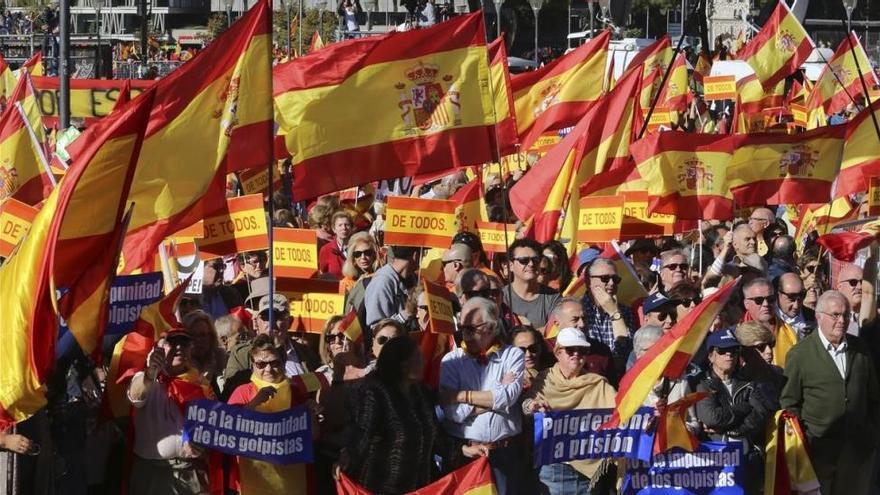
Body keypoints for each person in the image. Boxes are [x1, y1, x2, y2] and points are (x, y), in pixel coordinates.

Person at [341, 336, 483, 492]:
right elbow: (362, 433)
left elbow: (436, 436)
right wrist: (346, 458)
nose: (423, 361)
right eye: (417, 358)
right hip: (382, 486)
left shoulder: (421, 392)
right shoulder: (375, 393)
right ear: (402, 365)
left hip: (420, 486)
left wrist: (464, 449)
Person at [780, 290, 880, 495]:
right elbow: (790, 403)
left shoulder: (859, 349)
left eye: (845, 314)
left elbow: (873, 397)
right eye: (835, 315)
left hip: (856, 453)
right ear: (819, 316)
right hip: (818, 454)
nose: (841, 320)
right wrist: (806, 439)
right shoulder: (800, 354)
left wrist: (872, 433)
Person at [439, 297, 525, 494]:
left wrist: (460, 396)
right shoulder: (451, 361)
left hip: (503, 453)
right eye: (462, 328)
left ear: (491, 327)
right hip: (466, 454)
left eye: (471, 328)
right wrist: (497, 391)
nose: (465, 335)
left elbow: (508, 398)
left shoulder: (512, 355)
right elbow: (453, 413)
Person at [522, 327, 617, 493]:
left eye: (582, 351)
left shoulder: (597, 383)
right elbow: (527, 403)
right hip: (554, 468)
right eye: (571, 350)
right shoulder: (545, 378)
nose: (576, 355)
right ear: (558, 353)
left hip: (590, 470)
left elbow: (622, 410)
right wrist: (531, 406)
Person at [127, 329, 217, 495]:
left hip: (191, 472)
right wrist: (151, 371)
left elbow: (212, 425)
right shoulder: (146, 378)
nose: (179, 348)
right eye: (171, 343)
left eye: (184, 343)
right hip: (152, 472)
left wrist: (202, 444)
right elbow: (136, 396)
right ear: (157, 349)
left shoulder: (200, 383)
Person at [227, 334, 317, 495]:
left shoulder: (297, 392)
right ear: (253, 365)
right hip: (255, 482)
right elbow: (228, 431)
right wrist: (255, 402)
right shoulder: (243, 392)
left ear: (283, 363)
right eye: (261, 364)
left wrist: (312, 415)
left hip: (292, 483)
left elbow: (314, 436)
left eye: (274, 363)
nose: (268, 369)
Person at [695, 330, 772, 492]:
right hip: (718, 460)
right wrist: (744, 407)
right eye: (722, 351)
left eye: (733, 351)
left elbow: (759, 415)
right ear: (711, 356)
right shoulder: (702, 385)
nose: (729, 355)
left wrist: (735, 431)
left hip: (749, 457)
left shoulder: (749, 383)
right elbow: (712, 418)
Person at [223, 294, 320, 397]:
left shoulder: (305, 353)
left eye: (278, 317)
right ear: (256, 322)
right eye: (266, 317)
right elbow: (231, 390)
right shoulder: (241, 354)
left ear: (290, 322)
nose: (271, 323)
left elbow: (316, 389)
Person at [581, 258, 636, 352]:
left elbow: (626, 353)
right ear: (588, 281)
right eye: (605, 278)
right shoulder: (578, 311)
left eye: (615, 279)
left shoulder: (625, 311)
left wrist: (615, 313)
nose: (611, 283)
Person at [502, 239, 560, 328]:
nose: (531, 264)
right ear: (511, 265)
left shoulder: (553, 297)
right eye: (523, 260)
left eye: (535, 259)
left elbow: (554, 331)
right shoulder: (500, 297)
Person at [364, 245, 420, 328]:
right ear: (416, 256)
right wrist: (405, 314)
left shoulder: (413, 278)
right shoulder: (381, 283)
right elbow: (377, 329)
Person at [735, 321, 785, 408]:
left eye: (771, 344)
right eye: (760, 347)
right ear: (744, 351)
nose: (769, 351)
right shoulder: (736, 382)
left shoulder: (779, 373)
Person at [181, 310, 226, 389]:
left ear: (211, 336)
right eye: (192, 335)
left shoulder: (221, 358)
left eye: (203, 335)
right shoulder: (180, 366)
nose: (198, 340)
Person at [775, 272, 816, 340]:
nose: (796, 306)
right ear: (778, 294)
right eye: (791, 299)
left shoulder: (812, 317)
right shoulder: (769, 317)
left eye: (801, 298)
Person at [340, 232, 379, 298]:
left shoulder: (382, 276)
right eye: (358, 254)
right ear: (352, 257)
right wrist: (358, 286)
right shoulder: (345, 283)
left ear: (374, 254)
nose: (363, 257)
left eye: (367, 253)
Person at [319, 211, 354, 279]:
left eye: (347, 224)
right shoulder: (326, 250)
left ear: (351, 228)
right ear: (334, 229)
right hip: (334, 287)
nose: (344, 228)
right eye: (340, 225)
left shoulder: (357, 248)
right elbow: (323, 274)